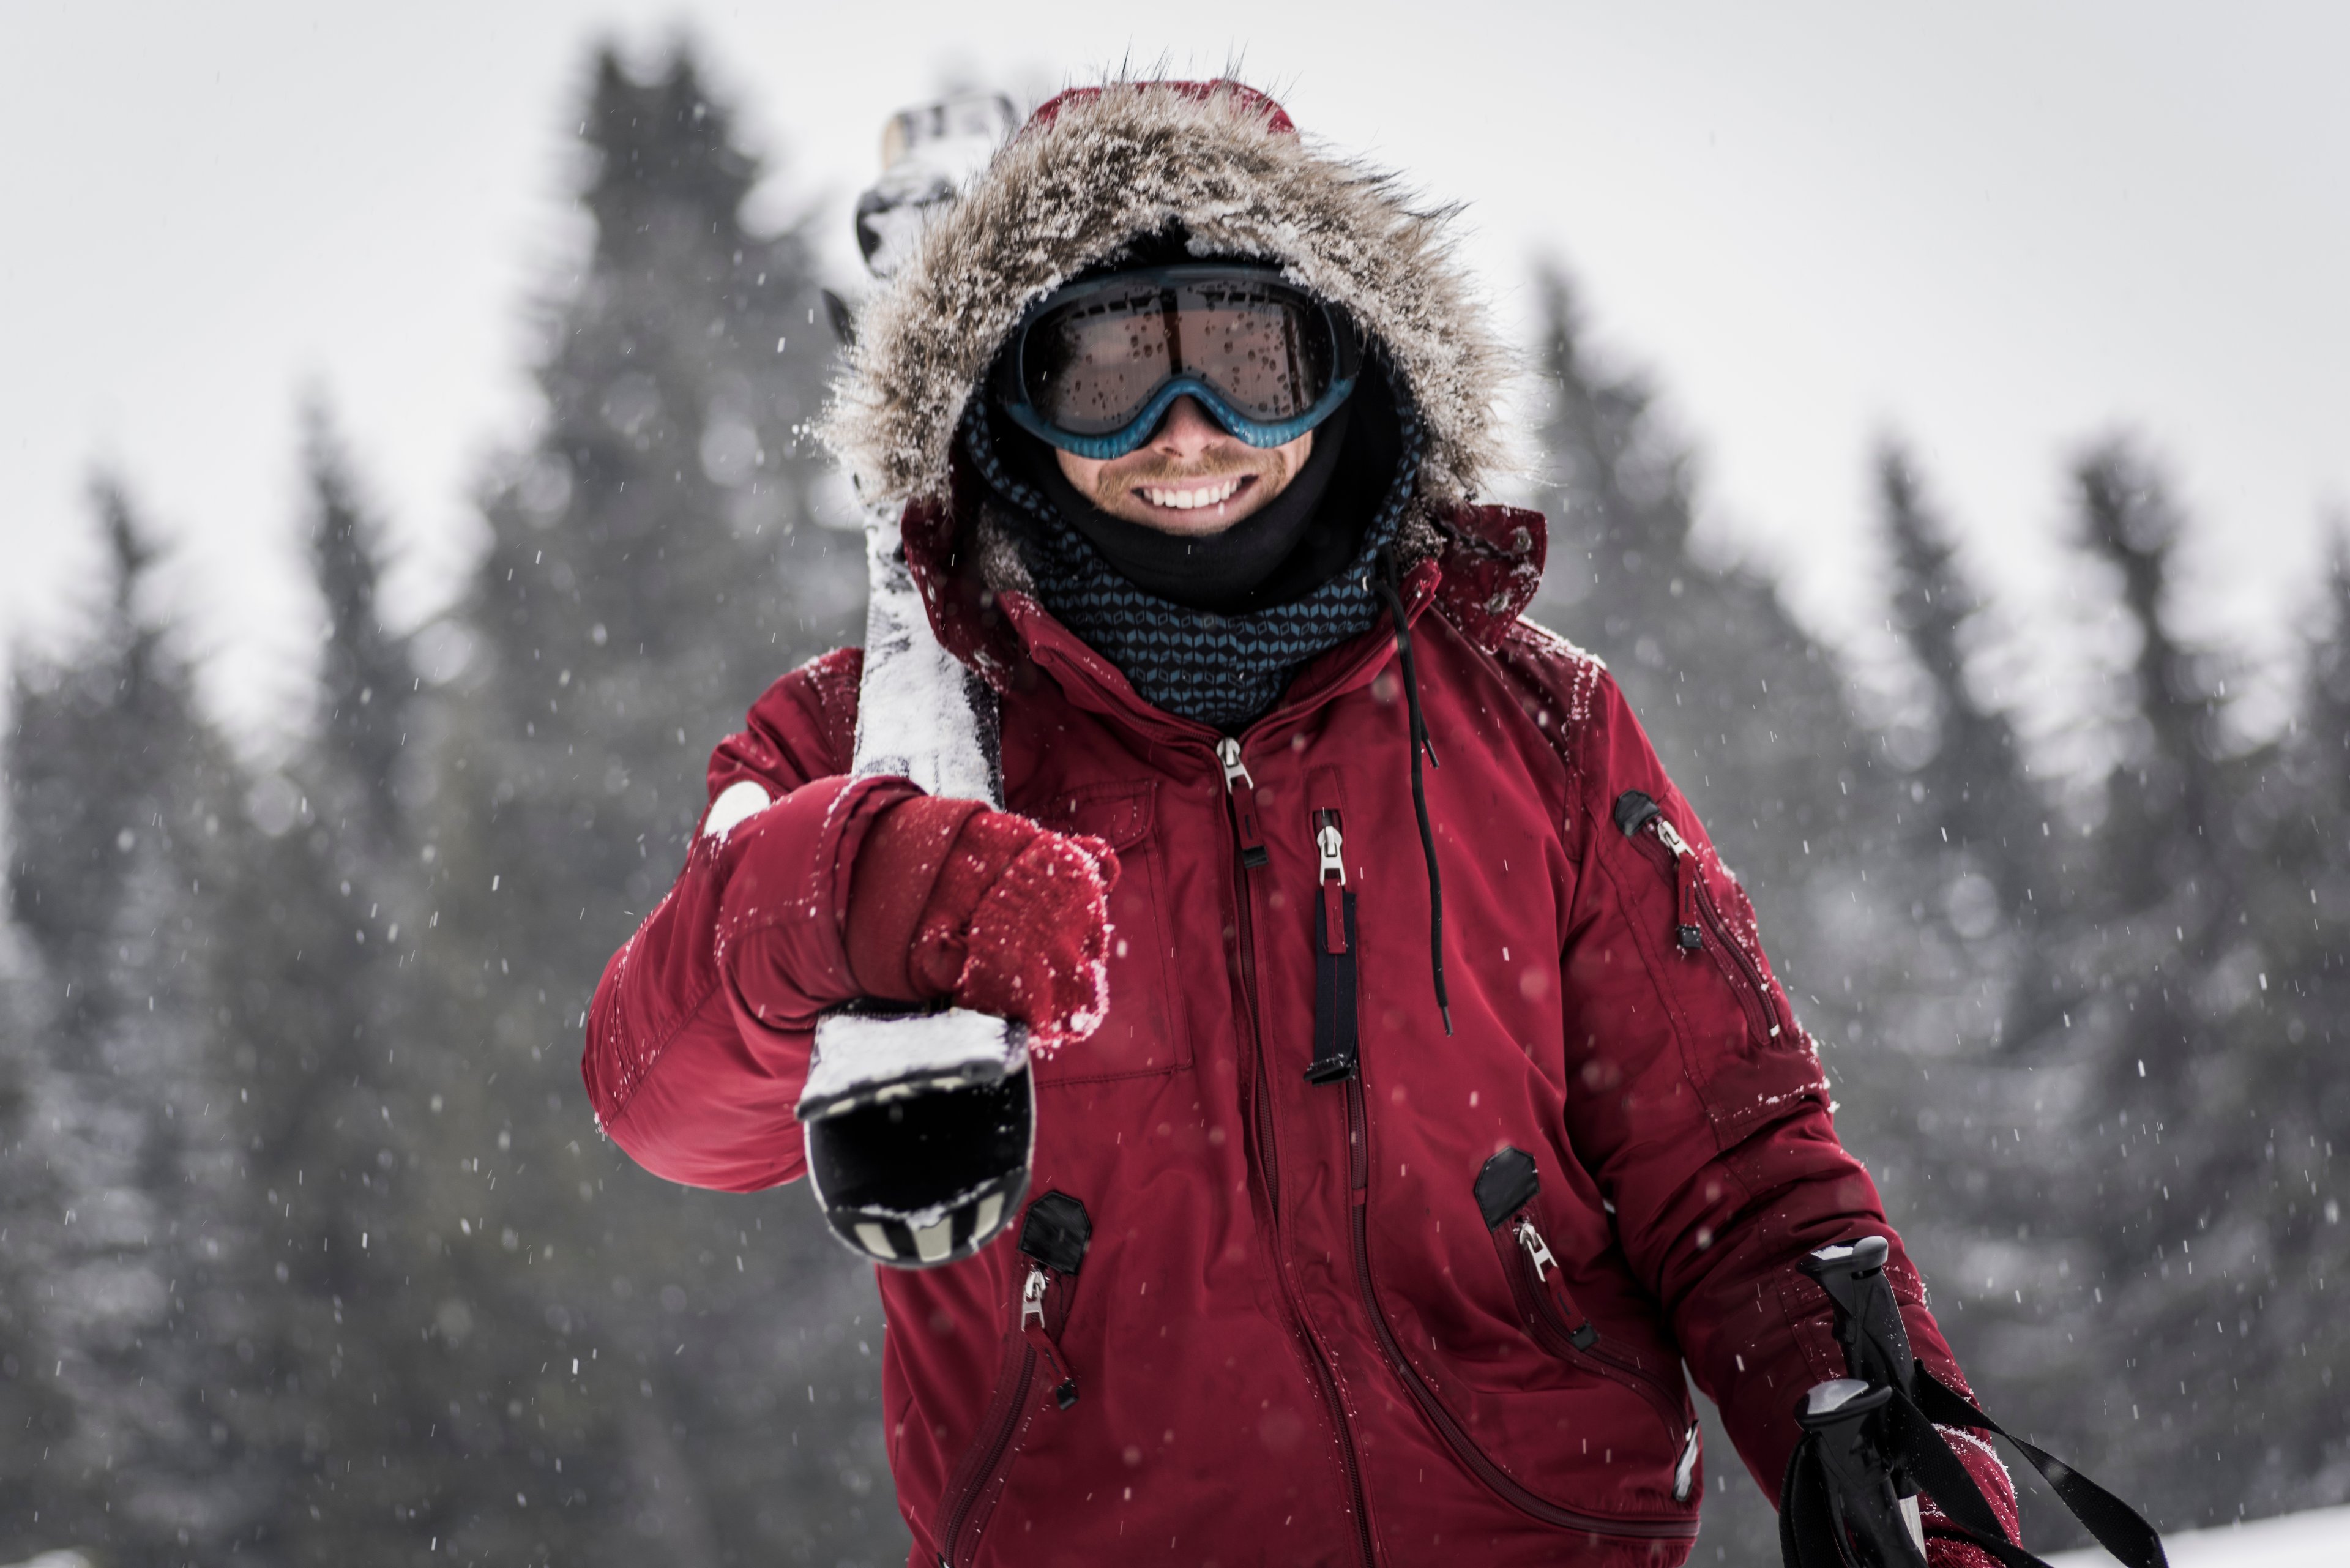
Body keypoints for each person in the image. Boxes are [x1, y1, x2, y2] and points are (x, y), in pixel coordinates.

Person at [583, 79, 2018, 1567]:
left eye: (1250, 356)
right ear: (1012, 385)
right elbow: (662, 1099)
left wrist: (1900, 1475)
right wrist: (862, 885)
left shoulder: (1538, 727)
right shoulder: (862, 749)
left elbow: (1740, 1184)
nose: (1187, 429)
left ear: (1347, 364)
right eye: (1111, 367)